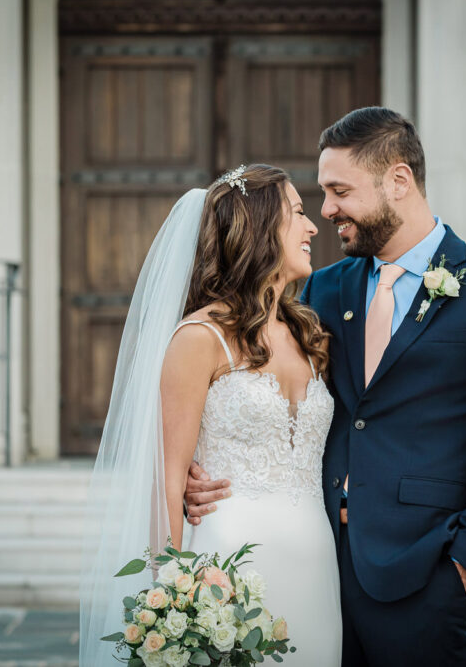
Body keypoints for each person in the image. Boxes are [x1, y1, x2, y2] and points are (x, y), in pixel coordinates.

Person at [185, 107, 466, 665]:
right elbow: (252, 383)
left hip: (426, 573)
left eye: (339, 191)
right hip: (315, 566)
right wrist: (197, 463)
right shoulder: (320, 292)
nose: (326, 209)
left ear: (398, 181)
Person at [79, 164, 341, 666]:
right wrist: (172, 597)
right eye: (300, 214)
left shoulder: (310, 335)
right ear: (261, 229)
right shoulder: (199, 339)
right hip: (227, 567)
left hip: (315, 561)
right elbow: (167, 480)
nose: (313, 228)